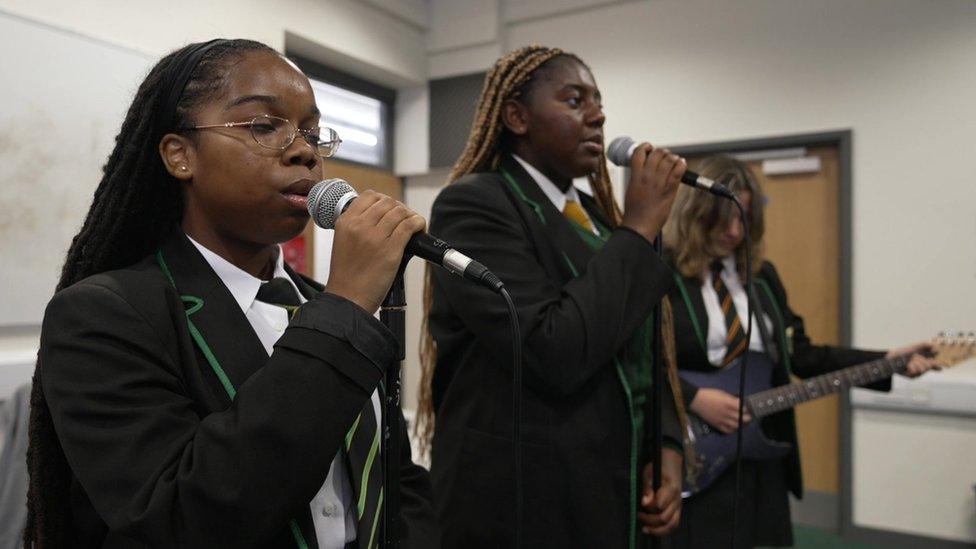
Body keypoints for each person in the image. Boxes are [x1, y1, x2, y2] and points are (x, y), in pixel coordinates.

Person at [25, 38, 438, 548]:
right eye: (264, 126)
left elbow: (399, 478)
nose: (304, 150)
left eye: (312, 133)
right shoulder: (102, 315)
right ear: (180, 155)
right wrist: (348, 306)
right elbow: (183, 516)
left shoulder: (323, 307)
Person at [415, 45, 688, 547]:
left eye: (598, 101)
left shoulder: (599, 216)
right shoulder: (475, 205)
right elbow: (552, 348)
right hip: (523, 502)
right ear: (517, 117)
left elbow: (645, 346)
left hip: (609, 487)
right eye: (575, 100)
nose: (599, 115)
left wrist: (666, 445)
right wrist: (641, 228)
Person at [662, 154, 941, 548]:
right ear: (694, 213)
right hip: (692, 453)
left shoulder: (761, 277)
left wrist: (889, 361)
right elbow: (636, 361)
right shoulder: (662, 271)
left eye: (744, 219)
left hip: (761, 456)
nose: (734, 231)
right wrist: (695, 398)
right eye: (721, 219)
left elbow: (804, 356)